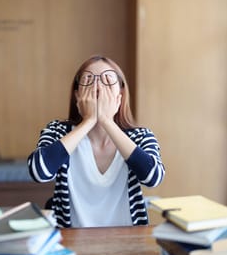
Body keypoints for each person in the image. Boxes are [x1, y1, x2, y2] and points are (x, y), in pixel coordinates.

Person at [28, 55, 165, 228]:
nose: (97, 87)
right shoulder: (58, 131)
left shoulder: (141, 136)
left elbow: (153, 178)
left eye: (107, 80)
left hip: (129, 239)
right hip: (70, 239)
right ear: (77, 94)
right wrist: (88, 121)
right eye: (88, 80)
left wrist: (107, 121)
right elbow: (39, 172)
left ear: (120, 95)